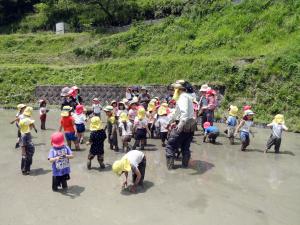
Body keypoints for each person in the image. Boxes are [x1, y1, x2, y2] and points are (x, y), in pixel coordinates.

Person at [165, 80, 197, 169]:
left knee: (170, 146)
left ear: (178, 89)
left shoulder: (183, 97)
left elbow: (184, 113)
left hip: (183, 125)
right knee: (185, 147)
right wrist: (170, 122)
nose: (172, 92)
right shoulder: (188, 97)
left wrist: (180, 125)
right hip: (190, 127)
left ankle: (170, 168)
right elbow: (177, 112)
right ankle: (185, 166)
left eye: (173, 90)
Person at [18, 107, 37, 175]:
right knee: (26, 159)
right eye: (30, 124)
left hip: (29, 150)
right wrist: (23, 153)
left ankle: (27, 169)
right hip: (27, 151)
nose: (31, 126)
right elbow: (23, 145)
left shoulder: (26, 132)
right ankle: (24, 170)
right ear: (27, 125)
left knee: (28, 160)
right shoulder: (24, 134)